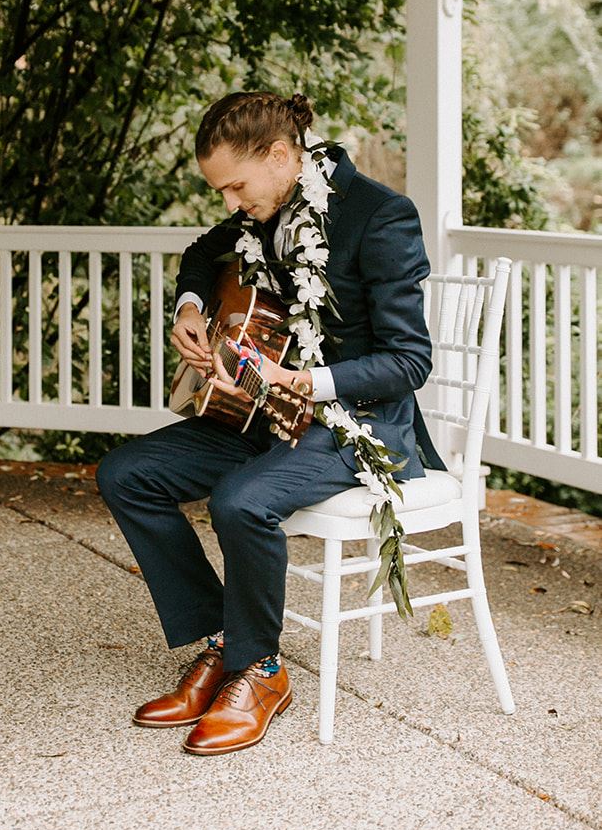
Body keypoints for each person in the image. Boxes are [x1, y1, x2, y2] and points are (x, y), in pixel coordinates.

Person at [97, 90, 441, 756]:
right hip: (261, 416)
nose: (229, 202)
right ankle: (227, 641)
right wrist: (190, 308)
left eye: (234, 185)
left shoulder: (379, 217)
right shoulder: (263, 208)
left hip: (352, 425)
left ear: (280, 155)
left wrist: (305, 381)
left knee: (240, 500)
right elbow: (203, 253)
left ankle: (262, 671)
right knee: (127, 473)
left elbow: (409, 360)